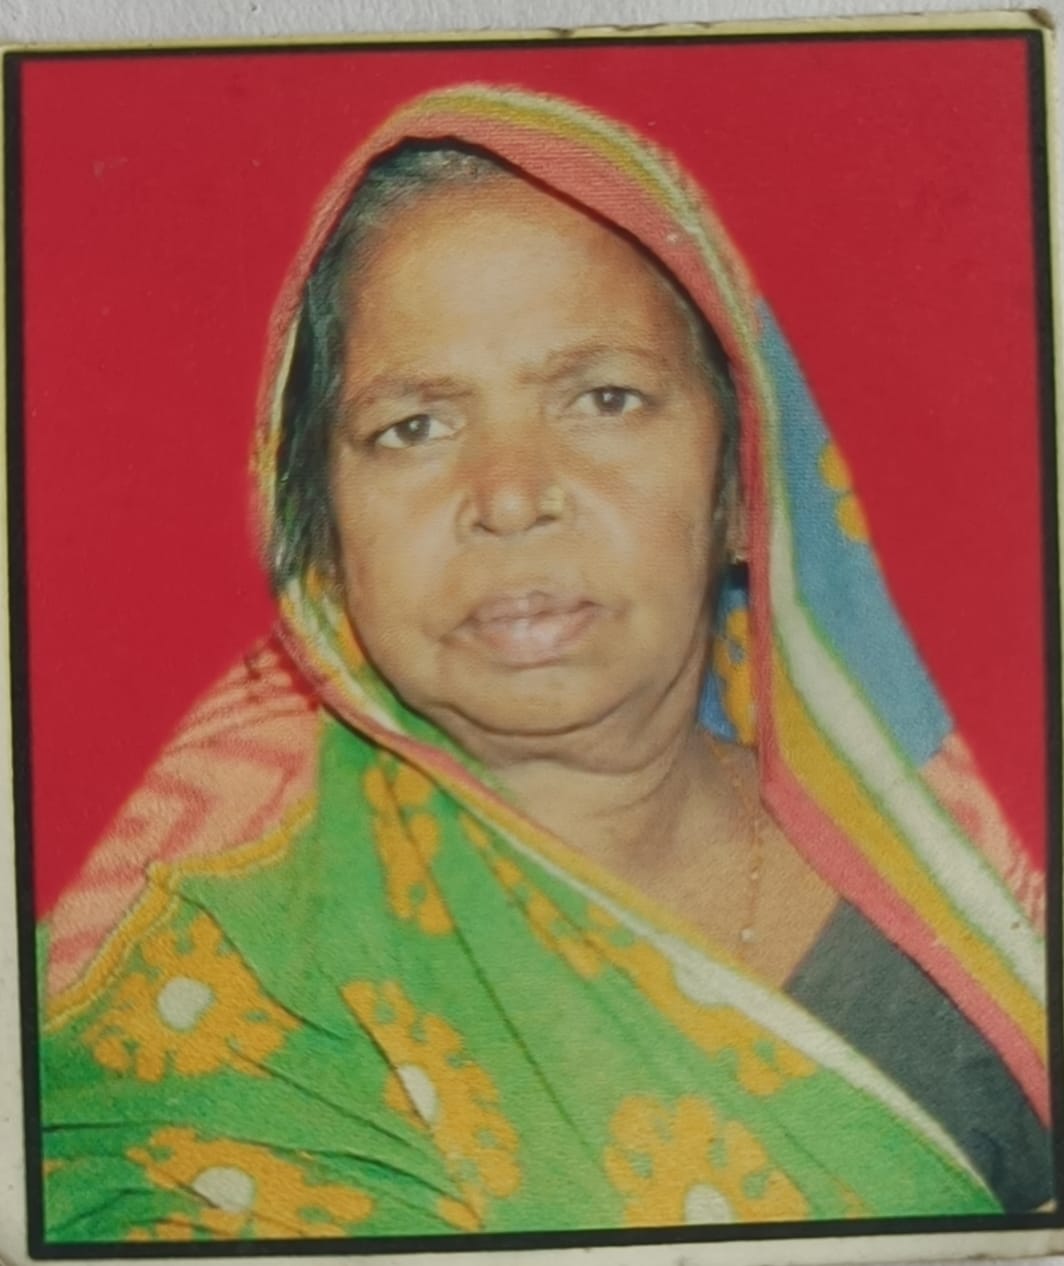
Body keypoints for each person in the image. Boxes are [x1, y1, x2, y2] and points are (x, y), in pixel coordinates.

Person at [37, 84, 1052, 1242]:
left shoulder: (962, 875)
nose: (511, 496)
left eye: (603, 398)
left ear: (741, 488)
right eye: (413, 426)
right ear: (317, 533)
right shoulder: (222, 986)